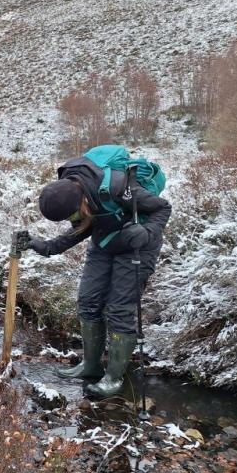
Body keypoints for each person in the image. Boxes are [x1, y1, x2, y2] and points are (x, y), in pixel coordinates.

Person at [16, 150, 171, 397]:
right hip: (105, 242)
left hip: (136, 244)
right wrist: (43, 246)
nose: (72, 219)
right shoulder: (77, 194)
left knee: (119, 308)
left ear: (81, 201)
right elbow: (81, 229)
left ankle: (113, 377)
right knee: (88, 301)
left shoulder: (118, 189)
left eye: (71, 214)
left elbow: (162, 208)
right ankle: (90, 366)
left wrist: (148, 232)